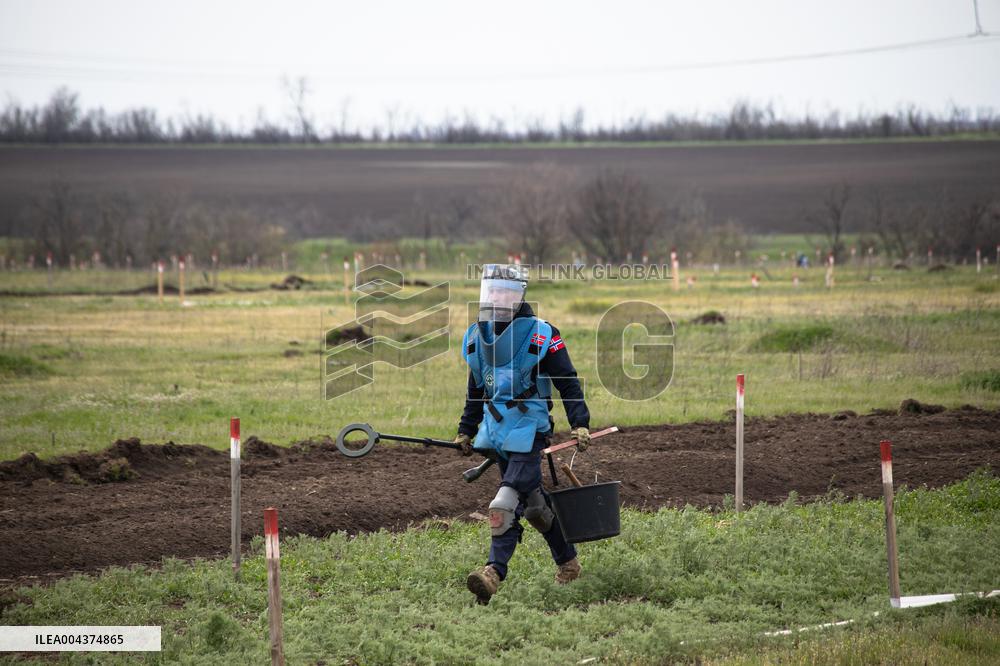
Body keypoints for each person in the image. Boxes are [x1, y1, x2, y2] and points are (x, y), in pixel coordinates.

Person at [454, 263, 592, 605]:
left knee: (504, 501)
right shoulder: (477, 336)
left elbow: (568, 382)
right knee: (534, 506)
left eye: (506, 292)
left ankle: (492, 573)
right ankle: (569, 563)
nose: (498, 298)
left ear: (519, 296)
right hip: (496, 432)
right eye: (493, 291)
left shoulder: (543, 334)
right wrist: (466, 429)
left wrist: (580, 421)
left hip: (530, 431)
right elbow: (476, 388)